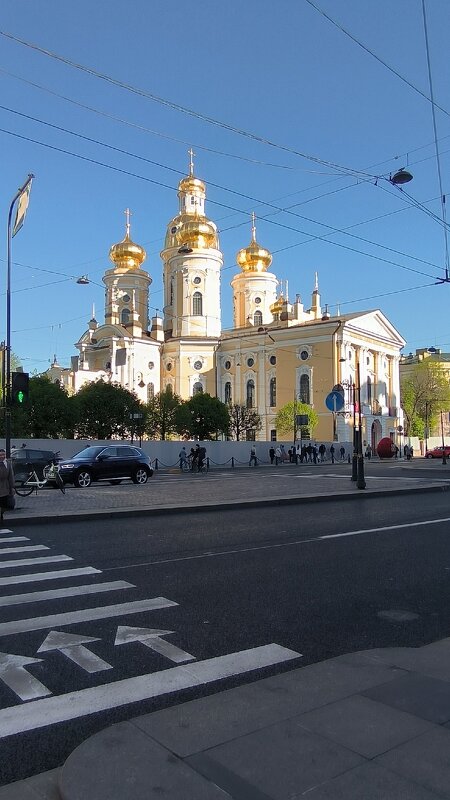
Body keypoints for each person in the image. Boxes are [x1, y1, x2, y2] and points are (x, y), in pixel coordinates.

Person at [0, 449, 15, 524]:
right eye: (0, 455)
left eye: (3, 455)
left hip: (5, 486)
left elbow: (11, 476)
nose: (2, 456)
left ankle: (1, 514)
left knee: (4, 504)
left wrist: (12, 487)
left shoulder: (8, 463)